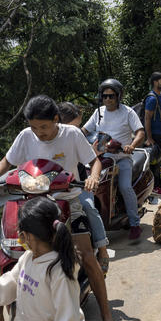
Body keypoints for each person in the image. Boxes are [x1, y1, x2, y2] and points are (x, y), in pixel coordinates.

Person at [0, 95, 121, 321]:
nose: (39, 133)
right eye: (35, 127)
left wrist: (92, 177)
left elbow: (94, 161)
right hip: (33, 201)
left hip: (68, 199)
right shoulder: (26, 136)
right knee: (11, 252)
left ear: (56, 120)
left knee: (86, 256)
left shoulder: (71, 134)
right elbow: (8, 160)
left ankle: (106, 316)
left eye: (44, 127)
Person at [82, 79, 145, 239]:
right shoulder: (98, 112)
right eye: (105, 96)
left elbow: (140, 132)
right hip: (99, 158)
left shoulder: (128, 112)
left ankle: (134, 224)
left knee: (124, 187)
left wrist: (131, 145)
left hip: (122, 158)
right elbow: (85, 130)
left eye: (111, 96)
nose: (108, 99)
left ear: (118, 96)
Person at [56, 101, 114, 259]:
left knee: (89, 207)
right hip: (52, 190)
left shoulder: (76, 136)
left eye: (78, 126)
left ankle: (102, 248)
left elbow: (92, 160)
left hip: (77, 185)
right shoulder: (43, 139)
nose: (76, 130)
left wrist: (93, 155)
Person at [144, 72, 161, 195]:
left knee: (160, 161)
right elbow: (147, 118)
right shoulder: (152, 98)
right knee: (155, 162)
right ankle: (154, 187)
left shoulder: (160, 97)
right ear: (155, 82)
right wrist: (149, 137)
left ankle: (160, 185)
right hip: (155, 135)